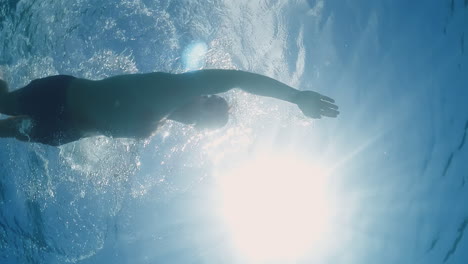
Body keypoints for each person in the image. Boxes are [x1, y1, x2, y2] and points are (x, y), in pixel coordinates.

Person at [0, 69, 339, 146]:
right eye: (212, 105)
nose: (201, 120)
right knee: (5, 103)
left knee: (9, 129)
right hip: (61, 96)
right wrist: (296, 97)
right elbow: (237, 79)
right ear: (203, 97)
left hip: (65, 131)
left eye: (208, 124)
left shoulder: (152, 126)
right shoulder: (172, 89)